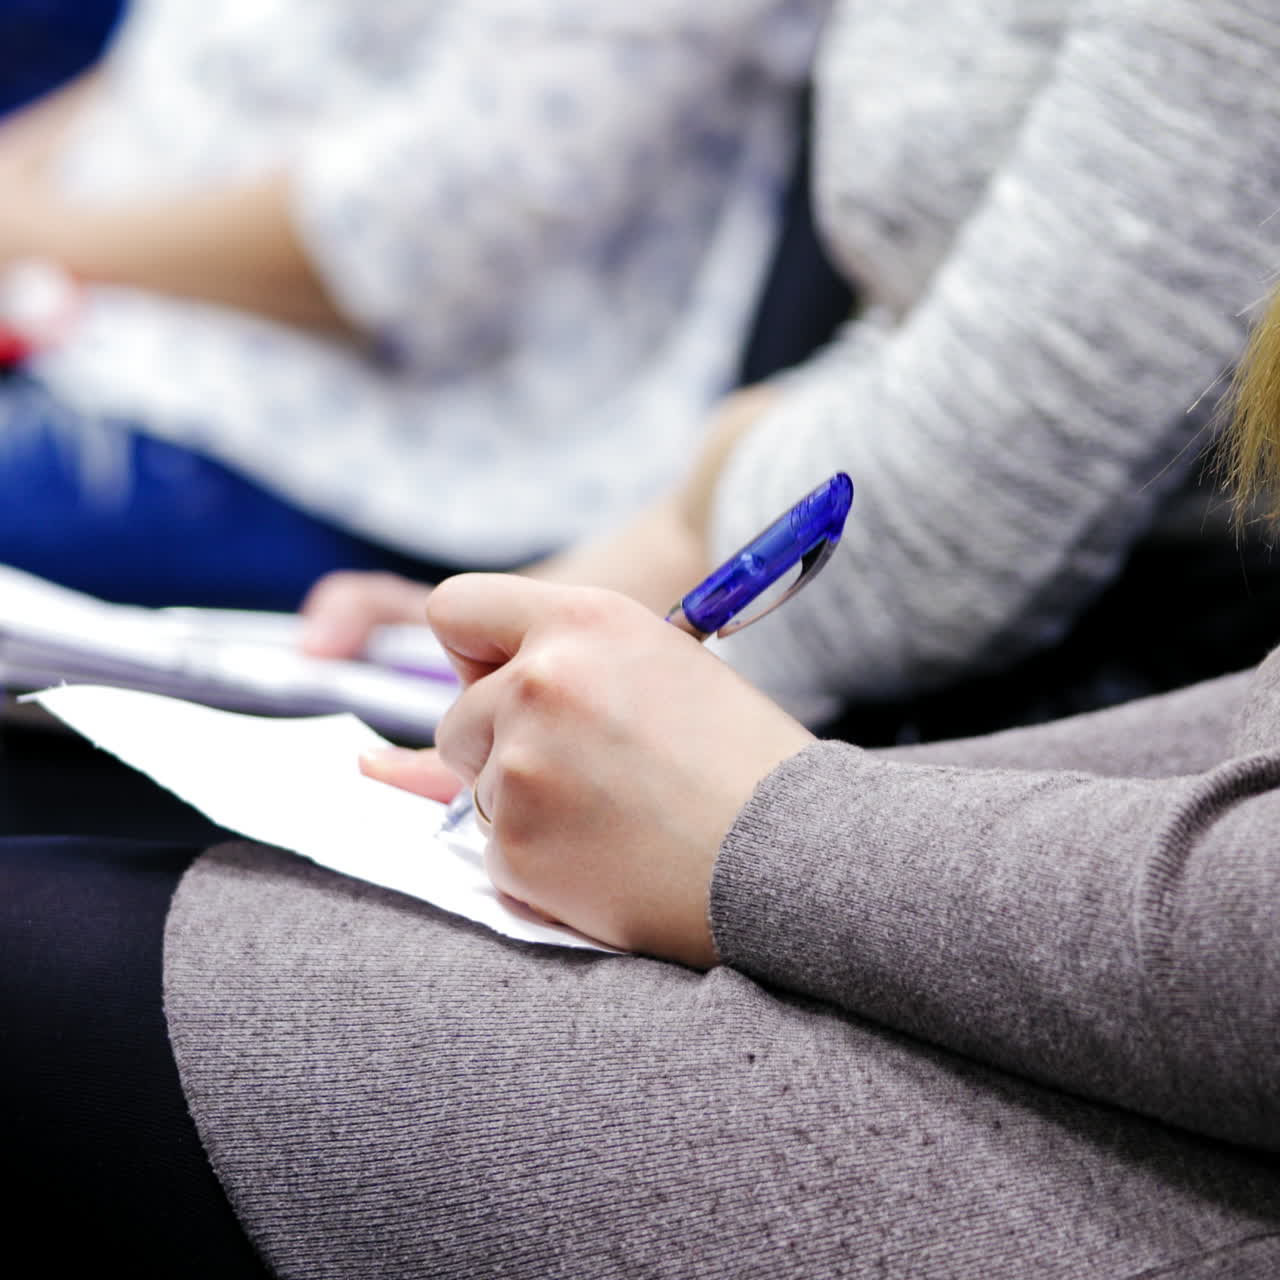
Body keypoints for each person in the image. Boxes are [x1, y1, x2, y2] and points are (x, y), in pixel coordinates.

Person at [9, 2, 1280, 1276]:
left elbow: (974, 480)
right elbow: (912, 341)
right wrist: (577, 609)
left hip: (1056, 854)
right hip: (1000, 799)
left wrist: (750, 818)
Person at [303, 0, 1280, 748]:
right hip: (875, 600)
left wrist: (714, 485)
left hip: (1137, 705)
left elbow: (972, 499)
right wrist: (554, 608)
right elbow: (928, 316)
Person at [0, 0, 824, 608]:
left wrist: (40, 234)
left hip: (347, 451)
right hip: (100, 326)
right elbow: (187, 60)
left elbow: (403, 244)